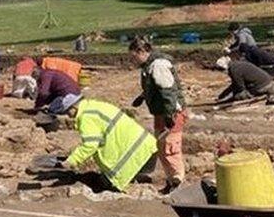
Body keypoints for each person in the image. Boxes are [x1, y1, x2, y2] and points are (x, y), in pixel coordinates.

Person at [51, 93, 157, 192]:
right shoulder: (93, 106)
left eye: (67, 112)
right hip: (145, 148)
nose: (68, 116)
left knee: (109, 185)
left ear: (73, 108)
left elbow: (90, 145)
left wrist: (71, 161)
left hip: (136, 157)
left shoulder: (86, 117)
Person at [129, 37, 187, 193]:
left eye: (134, 56)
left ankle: (178, 184)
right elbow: (156, 87)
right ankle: (171, 182)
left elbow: (168, 91)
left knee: (170, 149)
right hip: (161, 113)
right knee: (161, 148)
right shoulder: (148, 66)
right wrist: (142, 97)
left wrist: (170, 115)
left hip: (170, 112)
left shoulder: (158, 65)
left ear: (142, 51)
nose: (133, 60)